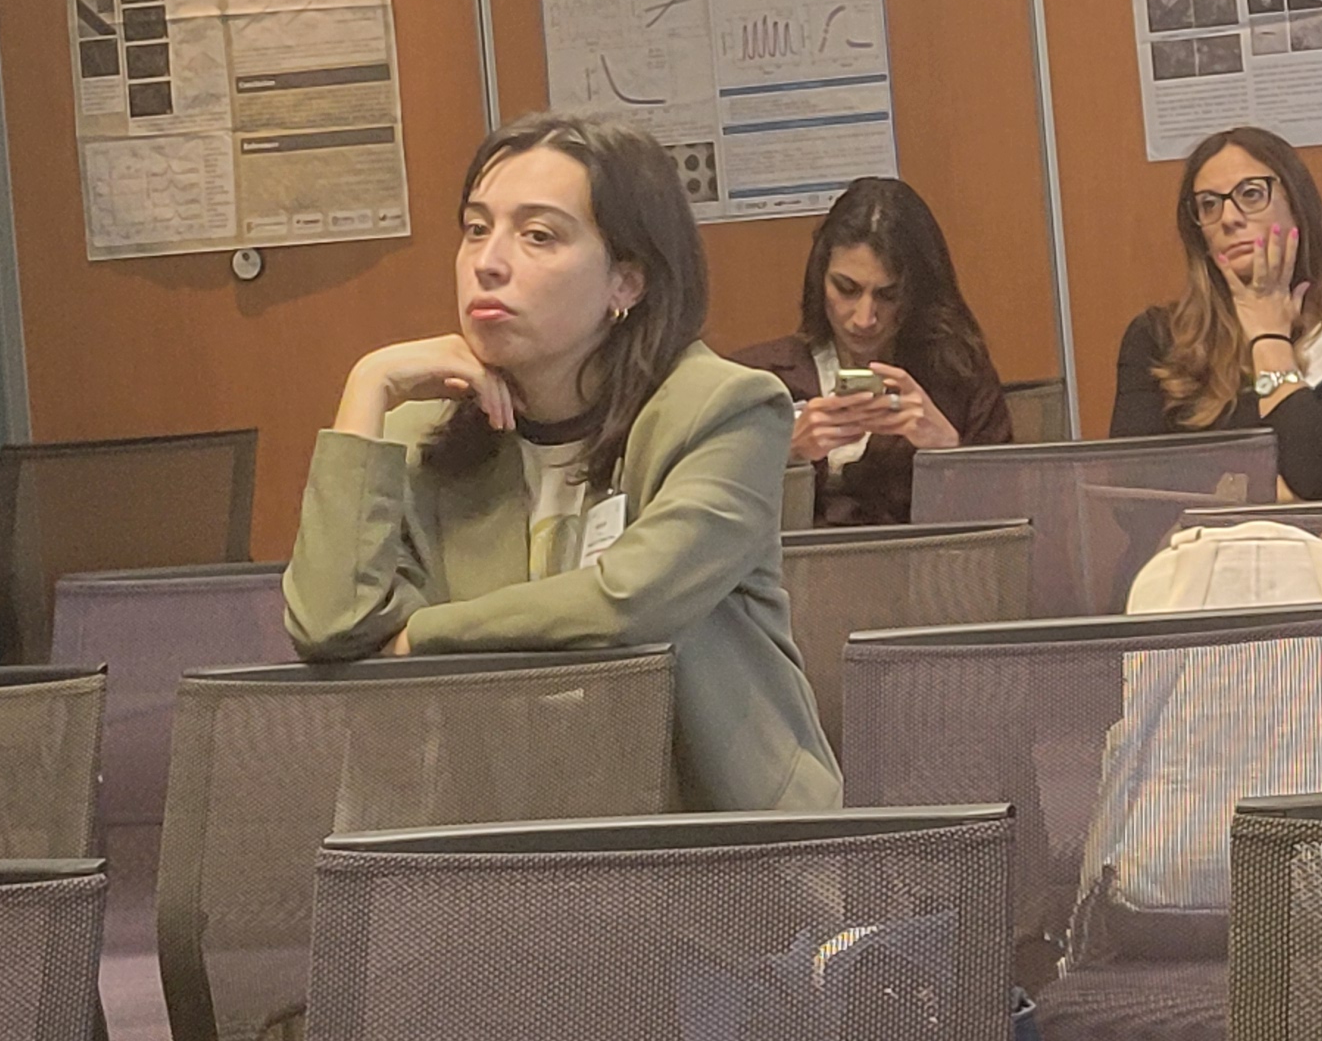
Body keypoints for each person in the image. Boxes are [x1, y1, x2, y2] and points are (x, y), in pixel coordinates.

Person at [285, 112, 839, 810]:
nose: (488, 261)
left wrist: (417, 636)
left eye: (538, 235)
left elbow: (627, 602)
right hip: (507, 835)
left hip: (708, 840)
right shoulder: (419, 435)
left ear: (626, 282)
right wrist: (368, 384)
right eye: (476, 228)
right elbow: (328, 625)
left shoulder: (725, 409)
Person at [1109, 126, 1322, 501]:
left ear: (1297, 207)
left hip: (1313, 540)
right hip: (1190, 540)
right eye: (1209, 204)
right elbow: (1131, 498)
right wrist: (1269, 489)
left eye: (1251, 194)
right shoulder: (1156, 338)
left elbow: (1319, 482)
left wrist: (1270, 340)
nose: (1228, 218)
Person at [724, 176, 1015, 527]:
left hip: (918, 561)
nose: (865, 319)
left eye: (888, 296)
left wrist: (949, 453)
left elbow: (1009, 529)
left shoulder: (960, 377)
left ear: (918, 294)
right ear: (819, 278)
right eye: (846, 289)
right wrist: (786, 454)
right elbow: (709, 516)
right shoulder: (754, 379)